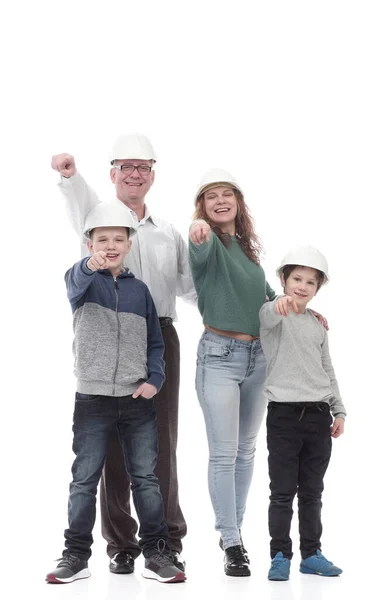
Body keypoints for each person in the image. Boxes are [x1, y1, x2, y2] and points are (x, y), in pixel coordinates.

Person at [51, 134, 195, 574]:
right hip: (103, 348)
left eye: (143, 167)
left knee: (160, 444)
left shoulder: (168, 232)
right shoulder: (96, 216)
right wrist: (70, 175)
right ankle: (120, 542)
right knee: (108, 450)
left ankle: (165, 540)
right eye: (125, 167)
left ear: (152, 174)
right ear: (112, 173)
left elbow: (192, 288)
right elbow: (80, 201)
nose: (135, 174)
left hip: (158, 338)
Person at [188, 168, 277, 577]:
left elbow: (262, 294)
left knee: (246, 451)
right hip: (220, 357)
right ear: (203, 206)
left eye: (228, 195)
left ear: (238, 203)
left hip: (258, 358)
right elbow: (198, 247)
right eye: (212, 197)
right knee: (224, 454)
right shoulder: (207, 240)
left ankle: (232, 532)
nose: (221, 201)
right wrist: (198, 231)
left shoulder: (244, 246)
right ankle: (233, 541)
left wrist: (300, 310)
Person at [259, 246, 346, 582]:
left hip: (318, 416)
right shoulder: (272, 313)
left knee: (313, 492)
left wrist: (338, 409)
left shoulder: (317, 325)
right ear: (283, 279)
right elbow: (267, 316)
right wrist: (277, 305)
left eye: (311, 282)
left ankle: (311, 553)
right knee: (282, 492)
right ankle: (280, 554)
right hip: (283, 416)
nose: (303, 286)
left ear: (317, 289)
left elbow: (328, 369)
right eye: (297, 278)